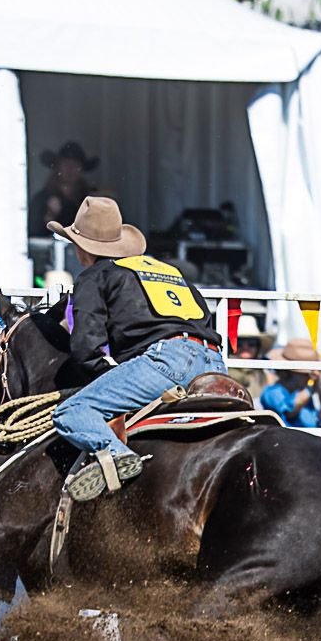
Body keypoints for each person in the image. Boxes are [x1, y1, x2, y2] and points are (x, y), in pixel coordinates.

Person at [48, 196, 226, 502]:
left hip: (167, 361)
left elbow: (85, 348)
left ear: (79, 248)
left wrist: (108, 374)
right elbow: (204, 319)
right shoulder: (168, 271)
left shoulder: (95, 276)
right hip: (215, 364)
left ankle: (117, 456)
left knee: (72, 412)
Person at [28, 141, 99, 237]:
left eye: (75, 164)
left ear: (82, 170)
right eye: (66, 163)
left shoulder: (91, 201)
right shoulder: (41, 199)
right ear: (58, 167)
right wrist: (49, 217)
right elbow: (32, 234)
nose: (70, 168)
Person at [261, 339, 321, 427]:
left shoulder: (304, 392)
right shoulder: (272, 392)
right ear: (290, 373)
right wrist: (310, 386)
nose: (309, 378)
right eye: (306, 374)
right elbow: (290, 411)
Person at [228, 314, 275, 402]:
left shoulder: (265, 371)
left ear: (258, 346)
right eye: (239, 343)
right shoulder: (224, 369)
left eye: (251, 343)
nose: (245, 347)